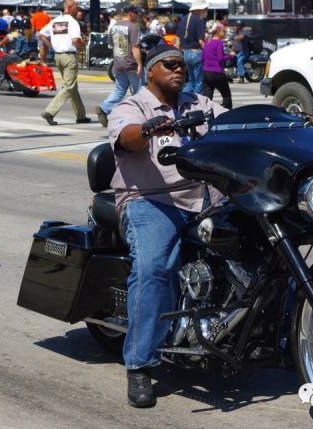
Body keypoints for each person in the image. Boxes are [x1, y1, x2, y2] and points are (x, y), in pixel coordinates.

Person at [107, 44, 226, 408]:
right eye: (170, 65)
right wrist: (147, 130)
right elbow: (127, 137)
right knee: (155, 267)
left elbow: (236, 120)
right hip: (151, 200)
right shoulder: (133, 106)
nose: (179, 70)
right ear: (151, 71)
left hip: (204, 197)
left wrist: (288, 118)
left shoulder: (197, 103)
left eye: (183, 65)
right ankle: (140, 363)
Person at [39, 0, 91, 125]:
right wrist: (83, 47)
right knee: (68, 87)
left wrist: (52, 46)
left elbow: (41, 34)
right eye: (76, 7)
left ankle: (81, 115)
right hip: (69, 57)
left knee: (73, 87)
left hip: (58, 56)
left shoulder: (56, 21)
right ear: (70, 7)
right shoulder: (72, 22)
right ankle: (50, 111)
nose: (78, 10)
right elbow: (75, 40)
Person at [95, 4, 142, 127]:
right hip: (131, 64)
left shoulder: (114, 26)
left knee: (119, 90)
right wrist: (139, 64)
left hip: (118, 63)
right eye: (136, 13)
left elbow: (111, 44)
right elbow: (135, 47)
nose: (138, 16)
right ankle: (138, 115)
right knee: (139, 91)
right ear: (131, 13)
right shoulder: (133, 27)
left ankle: (104, 108)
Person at [176, 0, 208, 94]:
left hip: (185, 52)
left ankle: (183, 98)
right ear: (199, 9)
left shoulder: (183, 19)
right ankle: (197, 100)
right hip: (196, 52)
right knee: (199, 82)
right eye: (205, 9)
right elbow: (200, 41)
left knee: (191, 81)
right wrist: (207, 51)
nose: (206, 11)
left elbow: (178, 39)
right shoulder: (199, 20)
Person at [202, 23, 233, 109]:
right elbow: (220, 58)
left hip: (206, 72)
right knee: (226, 95)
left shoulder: (207, 42)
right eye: (224, 31)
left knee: (207, 97)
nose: (225, 33)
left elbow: (202, 58)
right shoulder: (219, 42)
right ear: (218, 31)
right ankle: (227, 111)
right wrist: (230, 56)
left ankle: (206, 112)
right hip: (217, 72)